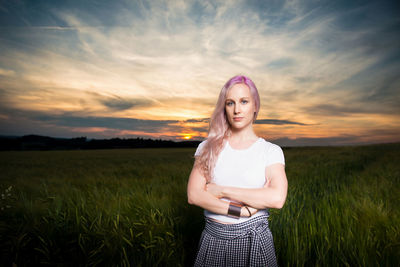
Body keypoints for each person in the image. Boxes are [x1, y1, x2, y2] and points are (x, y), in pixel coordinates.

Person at [187, 75, 288, 266]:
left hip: (254, 241)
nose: (237, 110)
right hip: (213, 240)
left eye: (244, 101)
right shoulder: (207, 147)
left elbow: (276, 198)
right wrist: (241, 211)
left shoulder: (270, 151)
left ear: (255, 106)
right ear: (224, 108)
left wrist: (222, 191)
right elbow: (194, 195)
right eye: (230, 103)